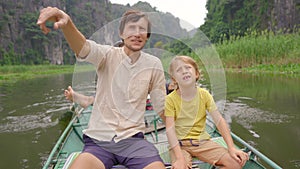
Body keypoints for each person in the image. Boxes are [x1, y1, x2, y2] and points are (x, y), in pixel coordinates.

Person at [37, 7, 166, 169]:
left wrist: (179, 145)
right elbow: (83, 48)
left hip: (134, 141)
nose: (137, 33)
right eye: (131, 28)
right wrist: (67, 23)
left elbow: (162, 108)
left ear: (147, 36)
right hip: (99, 142)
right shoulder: (108, 55)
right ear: (121, 33)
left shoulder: (153, 64)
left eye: (142, 29)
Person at [165, 56, 249, 169]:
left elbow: (219, 121)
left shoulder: (204, 95)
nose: (184, 71)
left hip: (202, 142)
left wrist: (231, 147)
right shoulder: (170, 99)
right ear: (174, 79)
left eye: (188, 68)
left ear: (196, 74)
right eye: (179, 70)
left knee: (235, 163)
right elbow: (170, 129)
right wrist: (180, 159)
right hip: (179, 145)